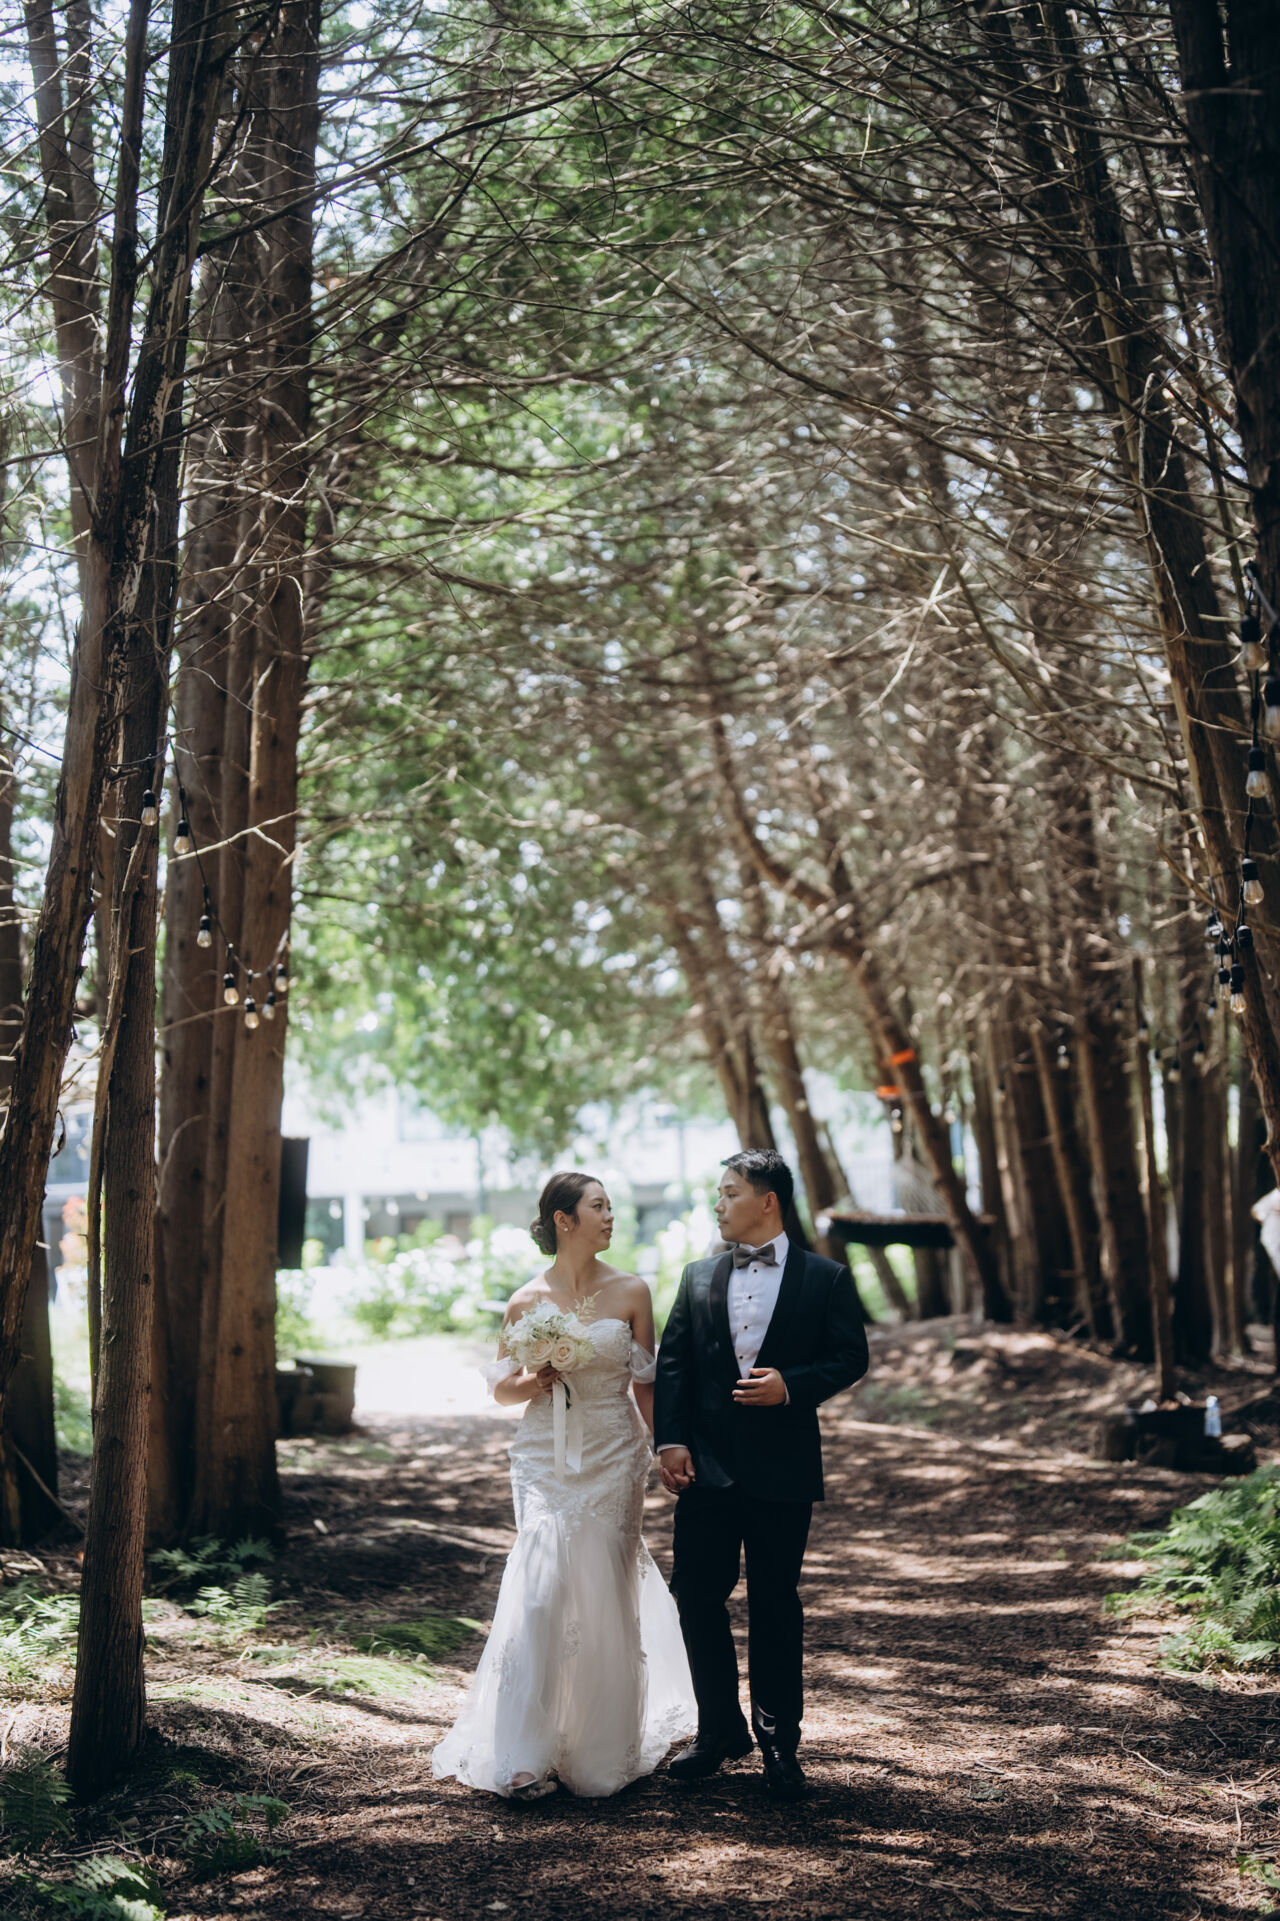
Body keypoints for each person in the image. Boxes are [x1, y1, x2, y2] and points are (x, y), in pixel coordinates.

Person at [431, 1171, 696, 1800]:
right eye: (599, 1206)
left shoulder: (632, 1290)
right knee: (541, 1587)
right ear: (564, 1219)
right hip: (542, 1456)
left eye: (611, 1206)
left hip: (613, 1452)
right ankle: (524, 1751)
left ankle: (599, 1748)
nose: (610, 1216)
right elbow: (503, 1389)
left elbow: (645, 1383)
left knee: (603, 1584)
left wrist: (665, 1445)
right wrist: (537, 1377)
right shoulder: (525, 1300)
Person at [654, 1149, 868, 1800]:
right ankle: (718, 1729)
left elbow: (850, 1356)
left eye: (730, 1192)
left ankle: (779, 1741)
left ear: (767, 1200)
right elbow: (674, 1364)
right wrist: (671, 1440)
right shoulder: (697, 1276)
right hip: (706, 1468)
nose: (718, 1203)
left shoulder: (825, 1277)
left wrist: (791, 1386)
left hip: (783, 1468)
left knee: (775, 1603)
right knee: (696, 1596)